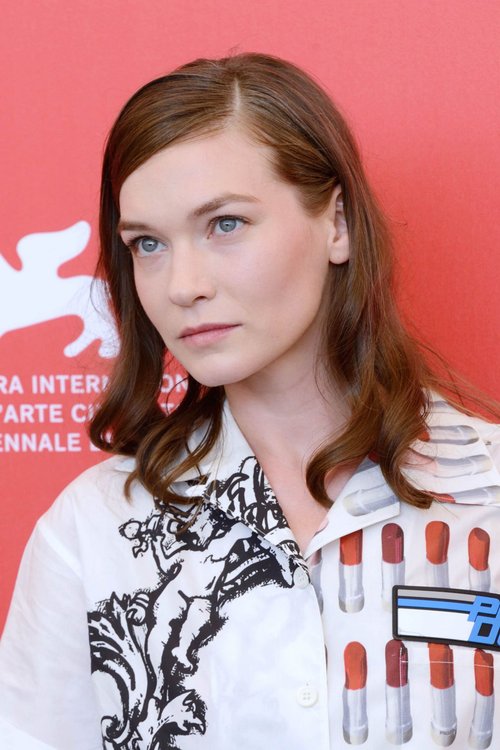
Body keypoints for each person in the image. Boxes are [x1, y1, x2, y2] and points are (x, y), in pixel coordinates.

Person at [0, 52, 499, 750]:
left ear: (337, 223)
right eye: (148, 243)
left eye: (225, 224)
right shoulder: (92, 529)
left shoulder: (489, 495)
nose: (183, 285)